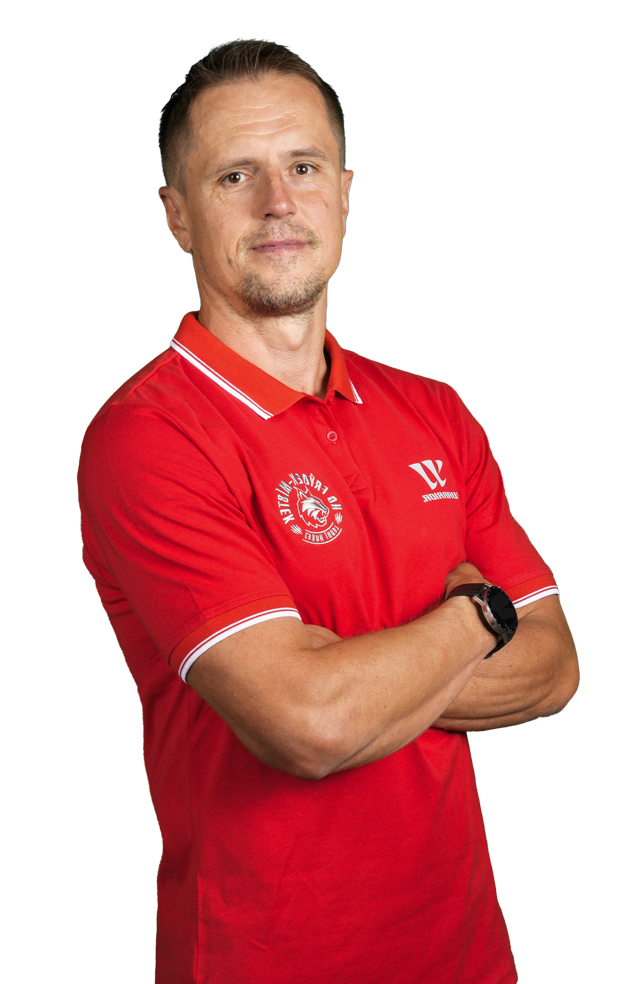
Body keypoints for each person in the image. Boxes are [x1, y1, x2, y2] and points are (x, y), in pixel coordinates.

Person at [78, 39, 579, 984]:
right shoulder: (149, 436)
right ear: (178, 215)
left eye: (304, 167)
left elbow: (554, 669)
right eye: (235, 175)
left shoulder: (433, 412)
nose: (278, 202)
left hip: (466, 955)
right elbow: (308, 726)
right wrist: (477, 615)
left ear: (345, 193)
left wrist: (345, 671)